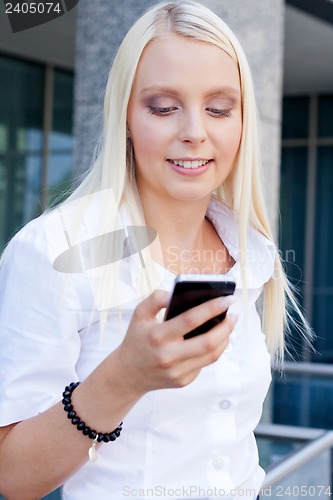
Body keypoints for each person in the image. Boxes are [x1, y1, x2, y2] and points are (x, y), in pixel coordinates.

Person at [0, 2, 310, 499]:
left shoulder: (250, 250)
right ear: (125, 115)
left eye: (218, 108)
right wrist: (122, 379)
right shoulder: (52, 251)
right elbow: (12, 477)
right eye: (164, 107)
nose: (194, 130)